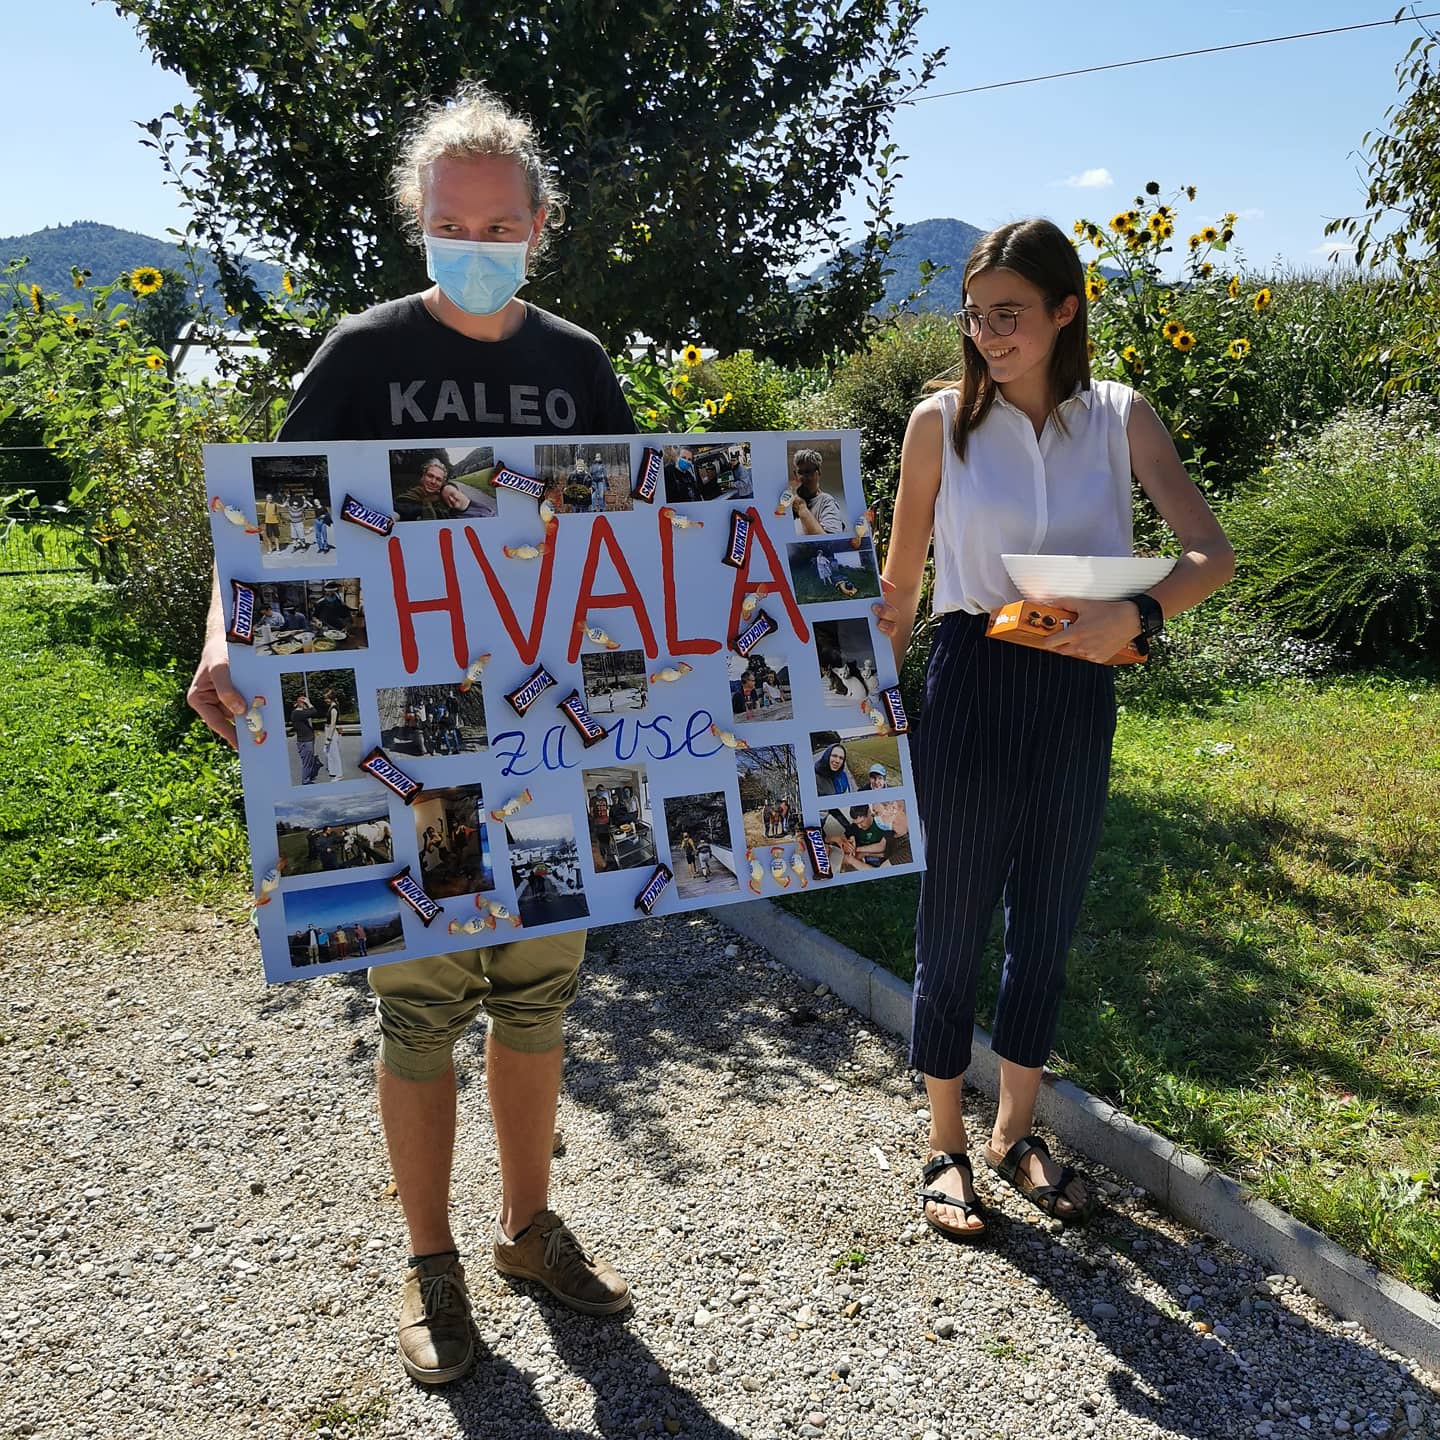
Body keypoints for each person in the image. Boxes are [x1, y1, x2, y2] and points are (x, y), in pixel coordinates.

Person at [186, 85, 636, 1386]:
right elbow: (268, 522)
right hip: (413, 744)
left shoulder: (579, 364)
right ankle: (432, 1263)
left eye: (499, 224)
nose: (476, 242)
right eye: (453, 223)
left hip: (544, 744)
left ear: (539, 226)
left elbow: (643, 540)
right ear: (419, 222)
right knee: (424, 1007)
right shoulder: (363, 354)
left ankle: (528, 1229)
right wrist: (224, 634)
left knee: (538, 997)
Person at [874, 217, 1233, 1244]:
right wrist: (835, 673)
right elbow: (901, 585)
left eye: (1010, 315)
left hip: (1080, 686)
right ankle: (946, 1143)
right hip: (970, 681)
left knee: (1047, 921)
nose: (988, 335)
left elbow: (1209, 554)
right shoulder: (939, 423)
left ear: (1065, 309)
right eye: (976, 317)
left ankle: (1013, 1132)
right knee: (952, 921)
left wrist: (1140, 616)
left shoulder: (1120, 415)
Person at [790, 447, 846, 536]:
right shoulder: (788, 500)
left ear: (818, 473)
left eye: (808, 472)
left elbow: (830, 541)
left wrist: (801, 507)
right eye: (799, 472)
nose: (802, 477)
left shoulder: (826, 502)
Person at [290, 692, 320, 784]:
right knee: (307, 763)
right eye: (305, 704)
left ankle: (307, 778)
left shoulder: (297, 713)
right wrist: (308, 703)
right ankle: (306, 781)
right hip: (306, 742)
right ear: (302, 704)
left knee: (307, 762)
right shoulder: (298, 713)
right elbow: (314, 711)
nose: (306, 706)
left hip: (305, 741)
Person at [322, 690, 344, 780]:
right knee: (329, 752)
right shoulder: (331, 707)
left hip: (332, 732)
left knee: (334, 753)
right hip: (328, 730)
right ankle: (333, 771)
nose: (325, 700)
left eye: (326, 698)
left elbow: (333, 724)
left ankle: (339, 774)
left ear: (330, 698)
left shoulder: (334, 709)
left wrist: (329, 738)